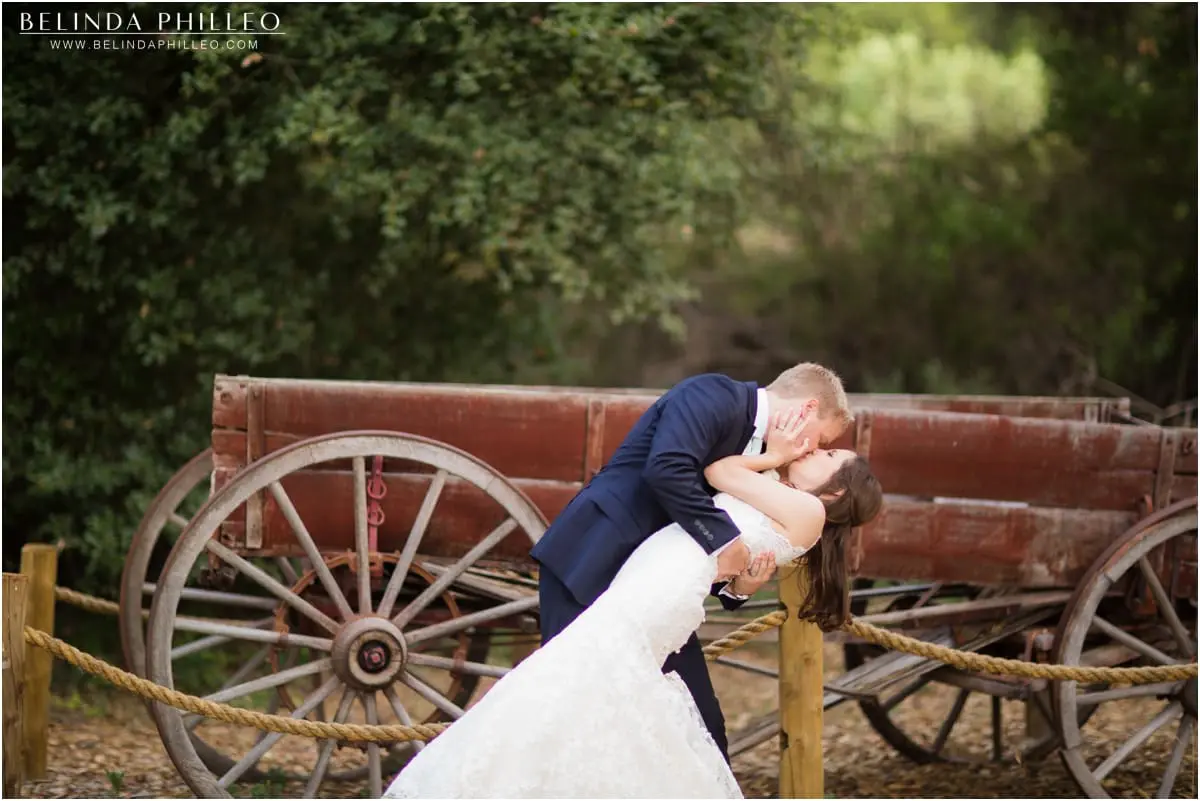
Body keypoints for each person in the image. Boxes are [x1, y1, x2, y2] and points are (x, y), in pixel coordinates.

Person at [383, 412, 883, 799]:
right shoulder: (789, 499)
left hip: (666, 585)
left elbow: (720, 471)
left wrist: (774, 453)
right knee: (596, 687)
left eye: (828, 455)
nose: (816, 449)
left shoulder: (811, 510)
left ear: (835, 489)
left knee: (580, 677)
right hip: (655, 575)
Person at [532, 363, 855, 759]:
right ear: (805, 409)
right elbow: (666, 469)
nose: (809, 451)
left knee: (702, 730)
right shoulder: (711, 395)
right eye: (818, 439)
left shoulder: (767, 459)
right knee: (572, 713)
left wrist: (739, 589)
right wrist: (725, 541)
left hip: (658, 598)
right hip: (592, 561)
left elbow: (699, 538)